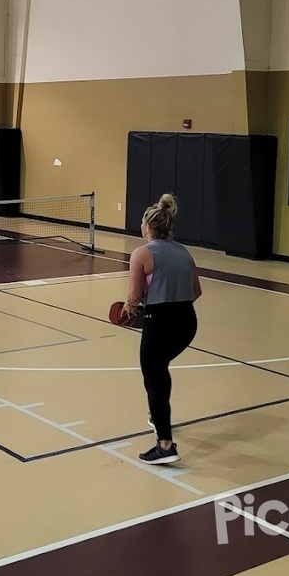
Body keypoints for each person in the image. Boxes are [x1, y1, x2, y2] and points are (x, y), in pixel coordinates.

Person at [123, 193, 202, 464]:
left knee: (154, 377)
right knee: (159, 371)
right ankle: (158, 417)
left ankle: (165, 446)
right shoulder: (184, 252)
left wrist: (130, 308)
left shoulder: (141, 253)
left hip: (159, 322)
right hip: (187, 323)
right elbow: (196, 292)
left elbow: (134, 296)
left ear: (147, 226)